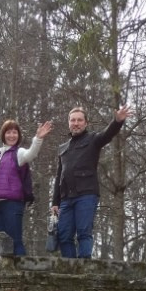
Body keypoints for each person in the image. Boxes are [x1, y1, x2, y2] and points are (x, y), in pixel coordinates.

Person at [51, 104, 132, 258]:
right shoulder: (63, 148)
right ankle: (70, 268)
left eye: (79, 120)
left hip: (86, 195)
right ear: (69, 123)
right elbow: (58, 176)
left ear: (85, 123)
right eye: (73, 120)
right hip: (66, 199)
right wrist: (55, 202)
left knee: (83, 232)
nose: (76, 123)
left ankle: (84, 269)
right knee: (63, 235)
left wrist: (117, 121)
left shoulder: (93, 139)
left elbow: (107, 134)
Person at [0, 117, 53, 256]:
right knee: (1, 242)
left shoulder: (19, 152)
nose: (12, 135)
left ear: (18, 135)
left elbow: (31, 154)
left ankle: (22, 272)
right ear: (3, 135)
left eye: (14, 132)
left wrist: (38, 139)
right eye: (8, 132)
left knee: (14, 241)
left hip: (12, 203)